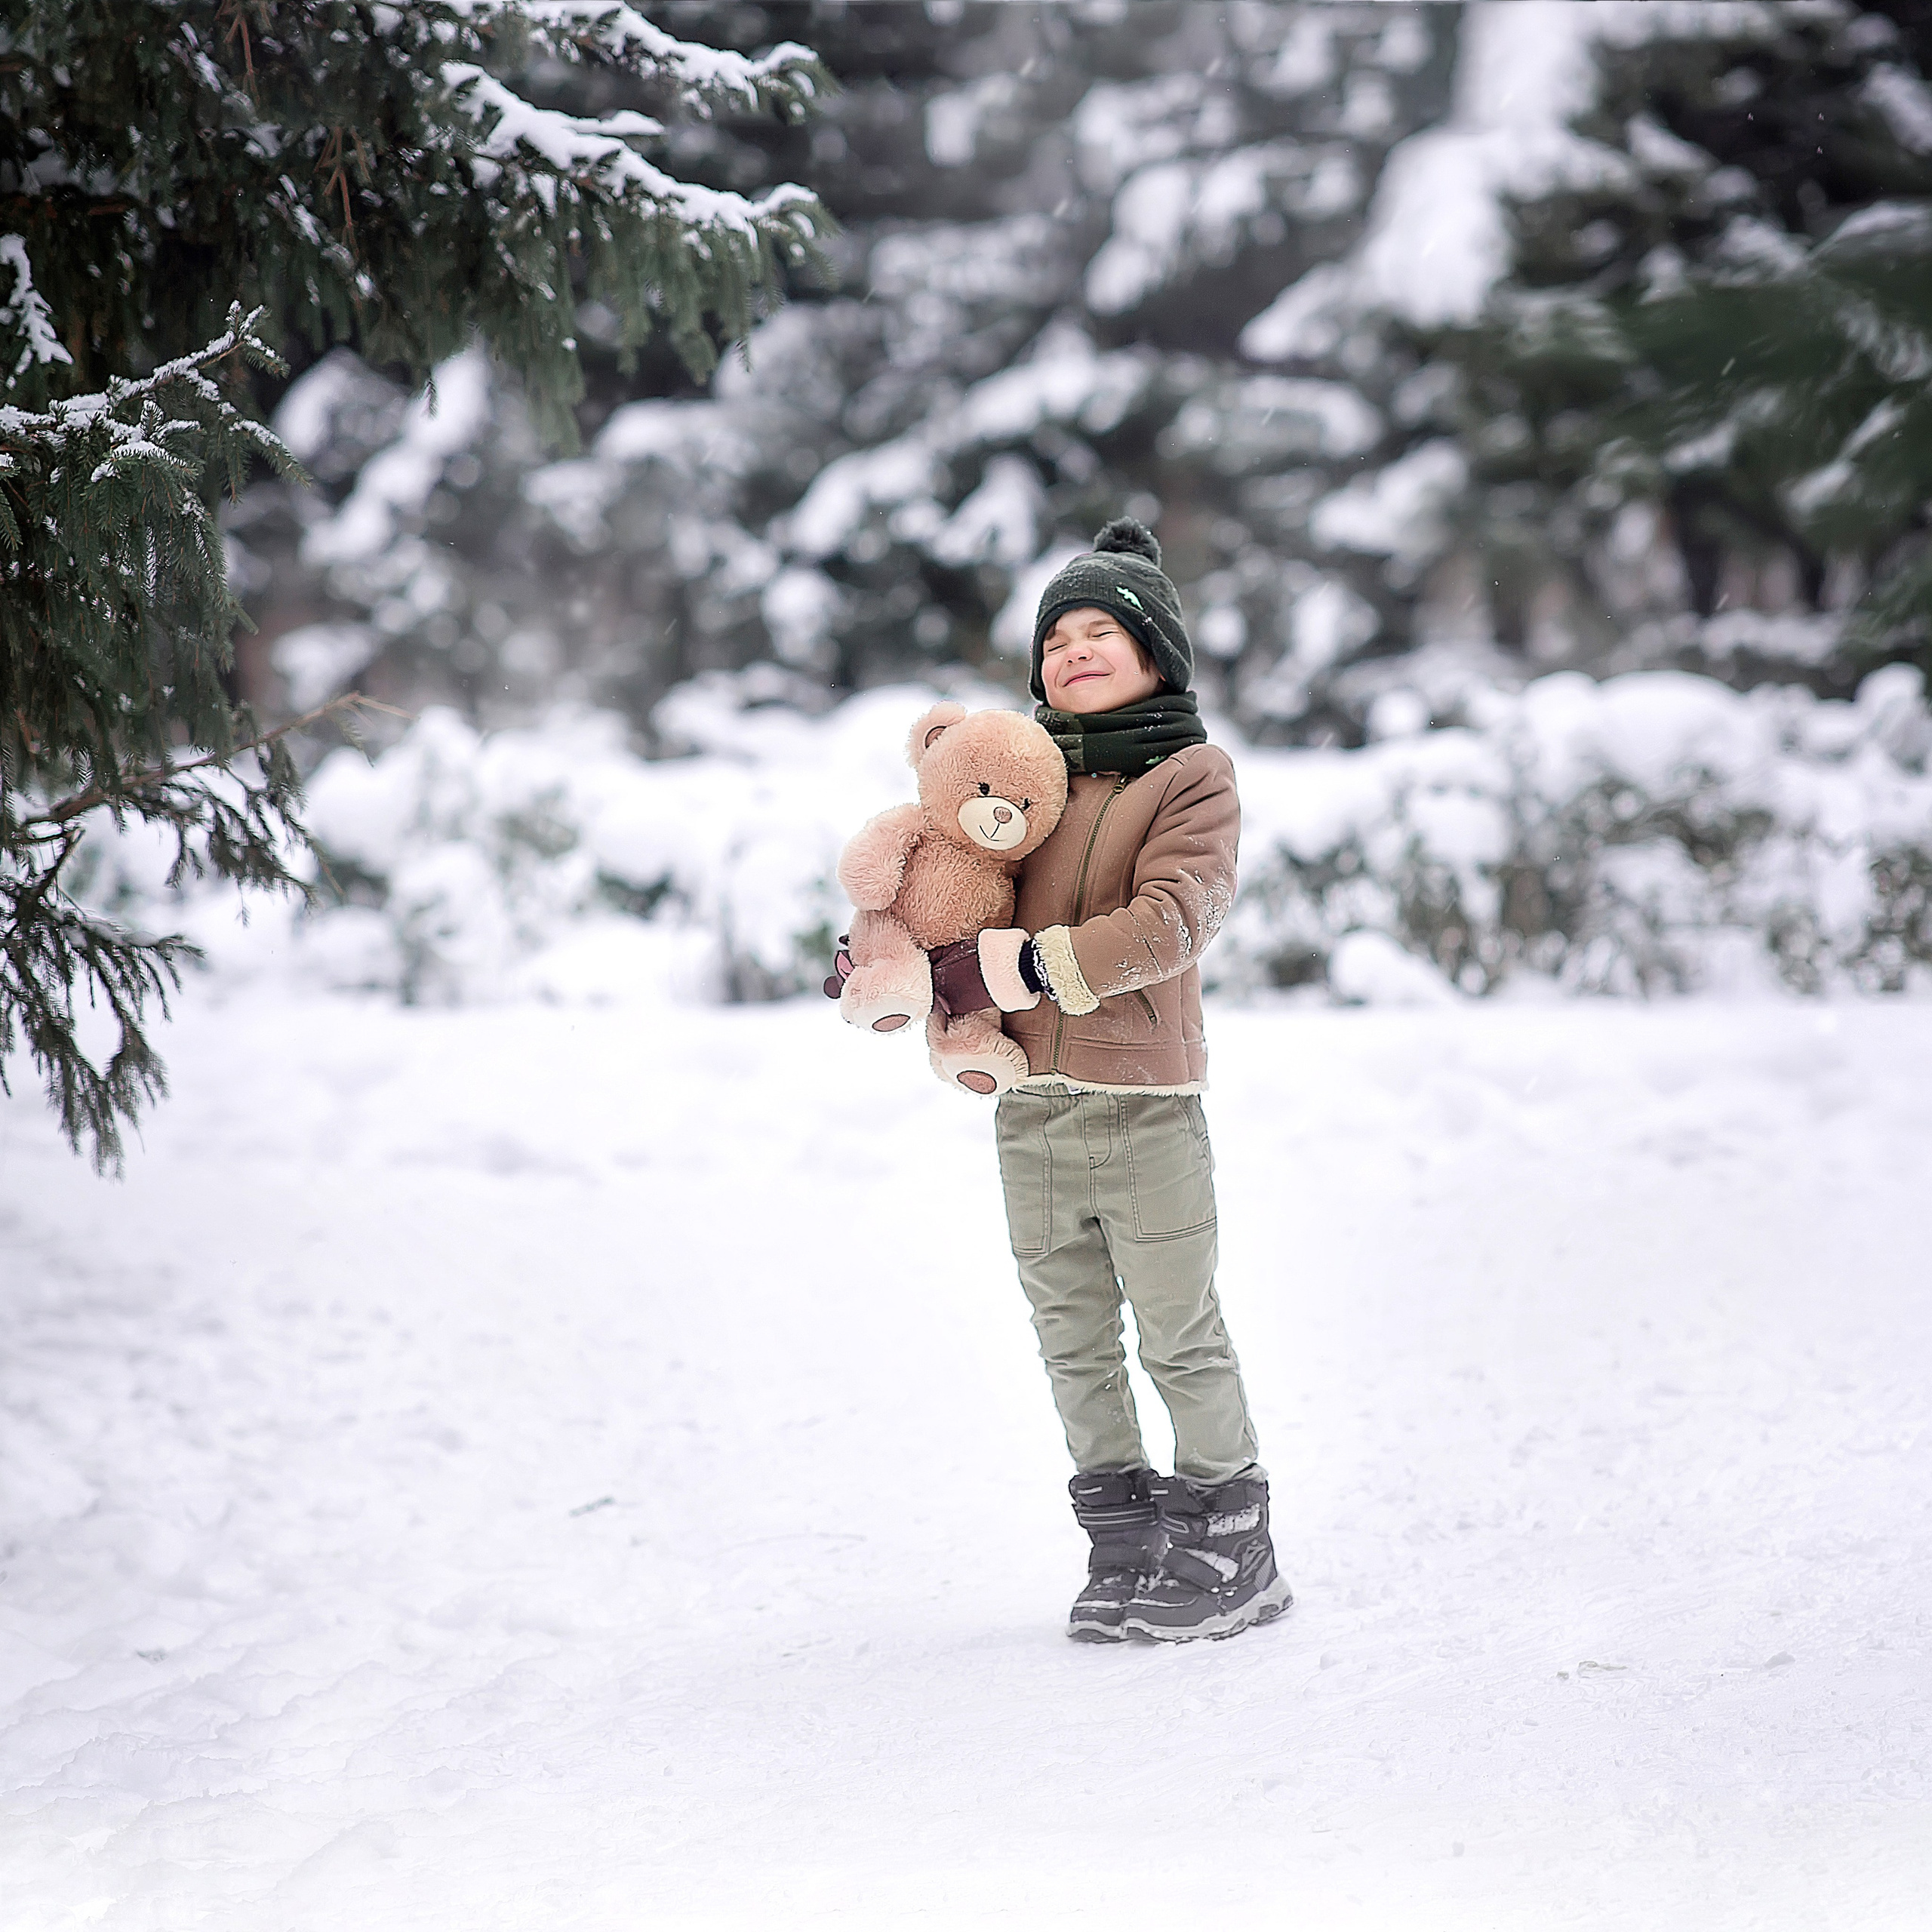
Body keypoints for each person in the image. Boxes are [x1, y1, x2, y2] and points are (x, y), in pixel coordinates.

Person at [933, 517, 1291, 1644]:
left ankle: (1233, 1544)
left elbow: (1176, 921)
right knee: (1073, 1337)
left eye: (1103, 631)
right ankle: (1126, 1543)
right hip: (1031, 1108)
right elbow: (954, 902)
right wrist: (893, 951)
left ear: (1156, 653)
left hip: (1145, 1107)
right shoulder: (1017, 792)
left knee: (1177, 1328)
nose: (1073, 651)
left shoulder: (1192, 777)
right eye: (1055, 639)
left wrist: (1034, 965)